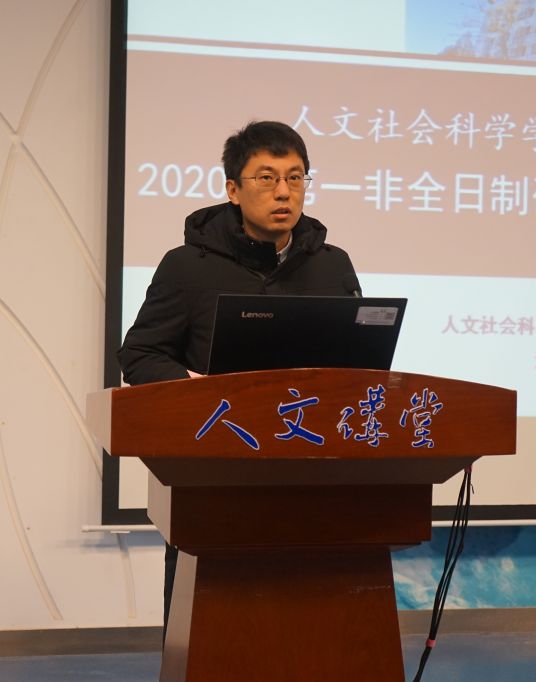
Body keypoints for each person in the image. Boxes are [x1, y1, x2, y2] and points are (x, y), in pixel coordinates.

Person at [117, 120, 361, 634]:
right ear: (232, 189)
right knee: (212, 634)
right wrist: (203, 394)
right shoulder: (188, 267)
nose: (283, 192)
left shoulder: (332, 265)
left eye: (295, 178)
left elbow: (356, 364)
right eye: (266, 178)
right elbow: (140, 353)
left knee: (309, 626)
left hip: (314, 477)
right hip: (214, 476)